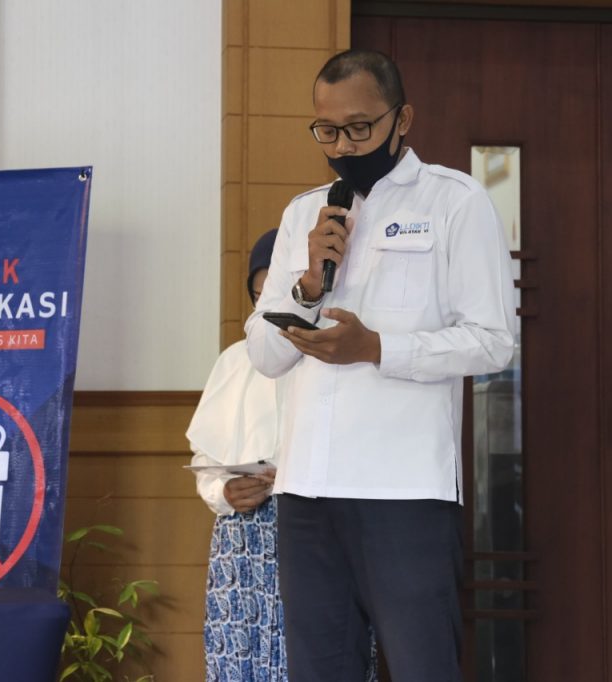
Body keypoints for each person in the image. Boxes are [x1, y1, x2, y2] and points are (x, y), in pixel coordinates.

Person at [244, 49, 516, 681]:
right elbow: (264, 354)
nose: (343, 144)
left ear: (402, 119)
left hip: (404, 491)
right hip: (307, 491)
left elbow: (493, 341)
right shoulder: (302, 214)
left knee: (423, 667)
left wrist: (378, 349)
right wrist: (308, 288)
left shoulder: (455, 201)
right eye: (327, 130)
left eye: (360, 127)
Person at [186, 229, 285, 680]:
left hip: (315, 532)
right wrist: (224, 492)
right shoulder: (234, 360)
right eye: (258, 296)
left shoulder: (336, 357)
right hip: (240, 541)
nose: (266, 307)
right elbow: (205, 459)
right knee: (236, 662)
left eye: (278, 293)